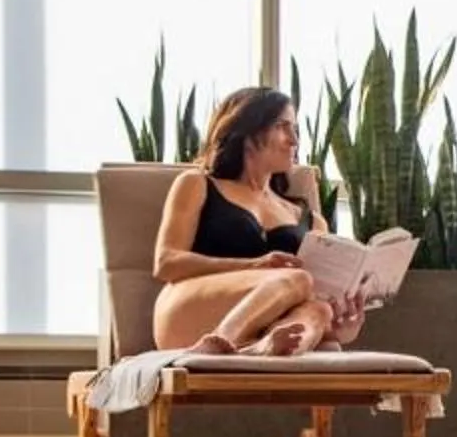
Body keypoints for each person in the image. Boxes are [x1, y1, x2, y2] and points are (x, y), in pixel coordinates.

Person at [151, 88, 363, 358]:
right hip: (187, 311)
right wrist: (255, 265)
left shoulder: (310, 219)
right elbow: (166, 263)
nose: (294, 140)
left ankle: (258, 351)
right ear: (248, 133)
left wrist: (344, 328)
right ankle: (216, 344)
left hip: (262, 329)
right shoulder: (198, 184)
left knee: (319, 310)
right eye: (282, 127)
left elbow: (317, 305)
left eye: (295, 129)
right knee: (297, 279)